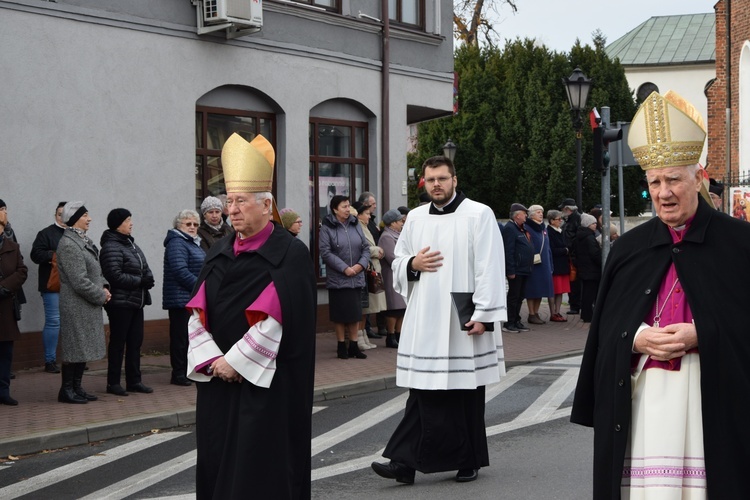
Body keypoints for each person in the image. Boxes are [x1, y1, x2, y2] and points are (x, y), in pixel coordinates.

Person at [571, 90, 750, 499]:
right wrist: (635, 337)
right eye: (655, 181)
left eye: (674, 179)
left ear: (698, 177)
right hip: (643, 403)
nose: (664, 192)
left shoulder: (740, 244)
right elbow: (606, 328)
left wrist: (703, 333)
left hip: (712, 400)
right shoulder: (629, 250)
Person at [185, 133, 317, 499]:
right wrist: (212, 359)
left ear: (265, 205)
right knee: (217, 455)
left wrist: (236, 363)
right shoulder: (219, 250)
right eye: (229, 201)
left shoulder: (288, 254)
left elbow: (278, 317)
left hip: (265, 384)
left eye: (240, 201)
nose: (231, 210)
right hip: (217, 380)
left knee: (258, 465)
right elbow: (197, 311)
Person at [371, 156, 507, 485]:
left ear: (454, 180)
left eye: (442, 178)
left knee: (467, 392)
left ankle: (468, 460)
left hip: (464, 316)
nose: (436, 184)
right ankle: (404, 463)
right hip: (426, 317)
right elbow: (399, 260)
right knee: (422, 391)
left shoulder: (479, 214)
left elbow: (490, 265)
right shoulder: (415, 218)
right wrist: (413, 263)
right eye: (430, 179)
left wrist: (485, 315)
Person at [56, 202, 111, 404]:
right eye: (85, 215)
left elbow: (95, 270)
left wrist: (104, 286)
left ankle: (77, 387)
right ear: (74, 218)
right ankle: (66, 390)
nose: (89, 219)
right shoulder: (69, 244)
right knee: (74, 347)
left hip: (86, 303)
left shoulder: (82, 240)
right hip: (76, 304)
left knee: (82, 347)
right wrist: (100, 295)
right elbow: (78, 280)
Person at [99, 209, 155, 396]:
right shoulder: (110, 246)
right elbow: (113, 276)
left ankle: (134, 380)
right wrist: (140, 281)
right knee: (118, 342)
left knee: (135, 342)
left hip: (137, 302)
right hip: (120, 303)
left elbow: (143, 267)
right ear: (118, 223)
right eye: (128, 220)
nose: (131, 223)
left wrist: (148, 278)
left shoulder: (131, 244)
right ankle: (113, 383)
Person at [319, 195, 370, 360]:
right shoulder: (327, 227)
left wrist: (359, 266)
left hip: (356, 276)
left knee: (355, 314)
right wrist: (344, 268)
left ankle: (354, 346)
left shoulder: (356, 225)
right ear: (335, 209)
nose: (348, 209)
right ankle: (341, 346)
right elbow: (325, 252)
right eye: (344, 206)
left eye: (348, 206)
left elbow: (366, 248)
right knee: (340, 315)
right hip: (338, 278)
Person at [162, 209, 205, 386]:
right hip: (180, 299)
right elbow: (180, 271)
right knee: (180, 338)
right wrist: (201, 287)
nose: (192, 227)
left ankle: (188, 370)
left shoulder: (193, 243)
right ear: (178, 226)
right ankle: (178, 373)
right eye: (188, 224)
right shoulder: (177, 243)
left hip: (191, 297)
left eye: (195, 224)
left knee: (191, 337)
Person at [30, 201, 67, 374]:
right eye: (60, 214)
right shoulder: (46, 233)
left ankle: (73, 359)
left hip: (73, 286)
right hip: (51, 285)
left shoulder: (76, 234)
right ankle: (50, 361)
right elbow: (35, 254)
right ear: (55, 215)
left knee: (72, 322)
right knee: (54, 321)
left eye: (66, 214)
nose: (62, 217)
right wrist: (55, 255)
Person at [0, 204, 28, 405]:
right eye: (2, 210)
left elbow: (22, 271)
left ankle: (3, 391)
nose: (5, 213)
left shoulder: (12, 246)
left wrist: (4, 286)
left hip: (5, 306)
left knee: (5, 352)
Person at [354, 201, 385, 350]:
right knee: (363, 308)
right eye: (366, 213)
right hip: (365, 270)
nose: (369, 216)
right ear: (359, 215)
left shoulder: (365, 226)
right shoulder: (358, 226)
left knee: (367, 308)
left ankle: (363, 335)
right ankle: (359, 337)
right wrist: (376, 250)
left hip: (372, 268)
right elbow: (361, 246)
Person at [501, 203, 534, 333]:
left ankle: (516, 320)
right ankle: (509, 322)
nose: (526, 215)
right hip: (516, 269)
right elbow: (508, 251)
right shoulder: (510, 228)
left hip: (524, 269)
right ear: (517, 215)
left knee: (520, 296)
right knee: (514, 296)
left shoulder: (521, 228)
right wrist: (510, 270)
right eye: (524, 213)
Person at [378, 208, 408, 348]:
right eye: (399, 221)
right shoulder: (386, 237)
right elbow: (392, 257)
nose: (402, 223)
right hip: (391, 275)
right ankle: (390, 335)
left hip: (400, 275)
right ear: (392, 223)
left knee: (401, 308)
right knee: (393, 308)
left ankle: (398, 334)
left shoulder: (398, 234)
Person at [523, 204, 553, 325]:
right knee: (532, 289)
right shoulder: (527, 227)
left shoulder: (543, 228)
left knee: (541, 289)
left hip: (544, 263)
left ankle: (536, 312)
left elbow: (548, 247)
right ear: (531, 215)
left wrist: (550, 263)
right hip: (533, 263)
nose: (541, 214)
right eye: (538, 212)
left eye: (541, 212)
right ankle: (531, 313)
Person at [572, 213, 600, 323]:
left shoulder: (579, 236)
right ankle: (588, 315)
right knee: (590, 293)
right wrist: (602, 262)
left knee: (587, 293)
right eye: (593, 223)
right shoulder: (589, 238)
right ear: (588, 224)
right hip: (592, 270)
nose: (595, 226)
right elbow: (595, 254)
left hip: (584, 269)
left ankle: (586, 314)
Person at [546, 209, 569, 322]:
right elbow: (552, 249)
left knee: (560, 290)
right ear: (551, 221)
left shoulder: (561, 231)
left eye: (561, 219)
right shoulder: (549, 232)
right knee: (554, 290)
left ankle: (558, 311)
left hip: (563, 265)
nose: (560, 221)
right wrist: (565, 250)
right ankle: (552, 312)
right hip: (555, 265)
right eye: (558, 219)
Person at [559, 198, 581, 315]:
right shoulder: (571, 220)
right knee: (574, 281)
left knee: (574, 282)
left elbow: (573, 238)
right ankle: (575, 304)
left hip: (573, 256)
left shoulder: (575, 220)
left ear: (567, 209)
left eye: (563, 209)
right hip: (572, 255)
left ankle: (575, 305)